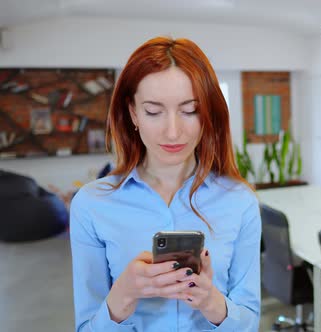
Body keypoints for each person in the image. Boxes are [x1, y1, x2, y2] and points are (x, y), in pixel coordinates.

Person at [69, 36, 261, 331]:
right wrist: (124, 294)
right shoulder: (91, 204)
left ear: (207, 113)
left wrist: (211, 302)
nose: (173, 132)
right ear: (133, 113)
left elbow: (250, 321)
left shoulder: (240, 201)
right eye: (154, 111)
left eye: (190, 110)